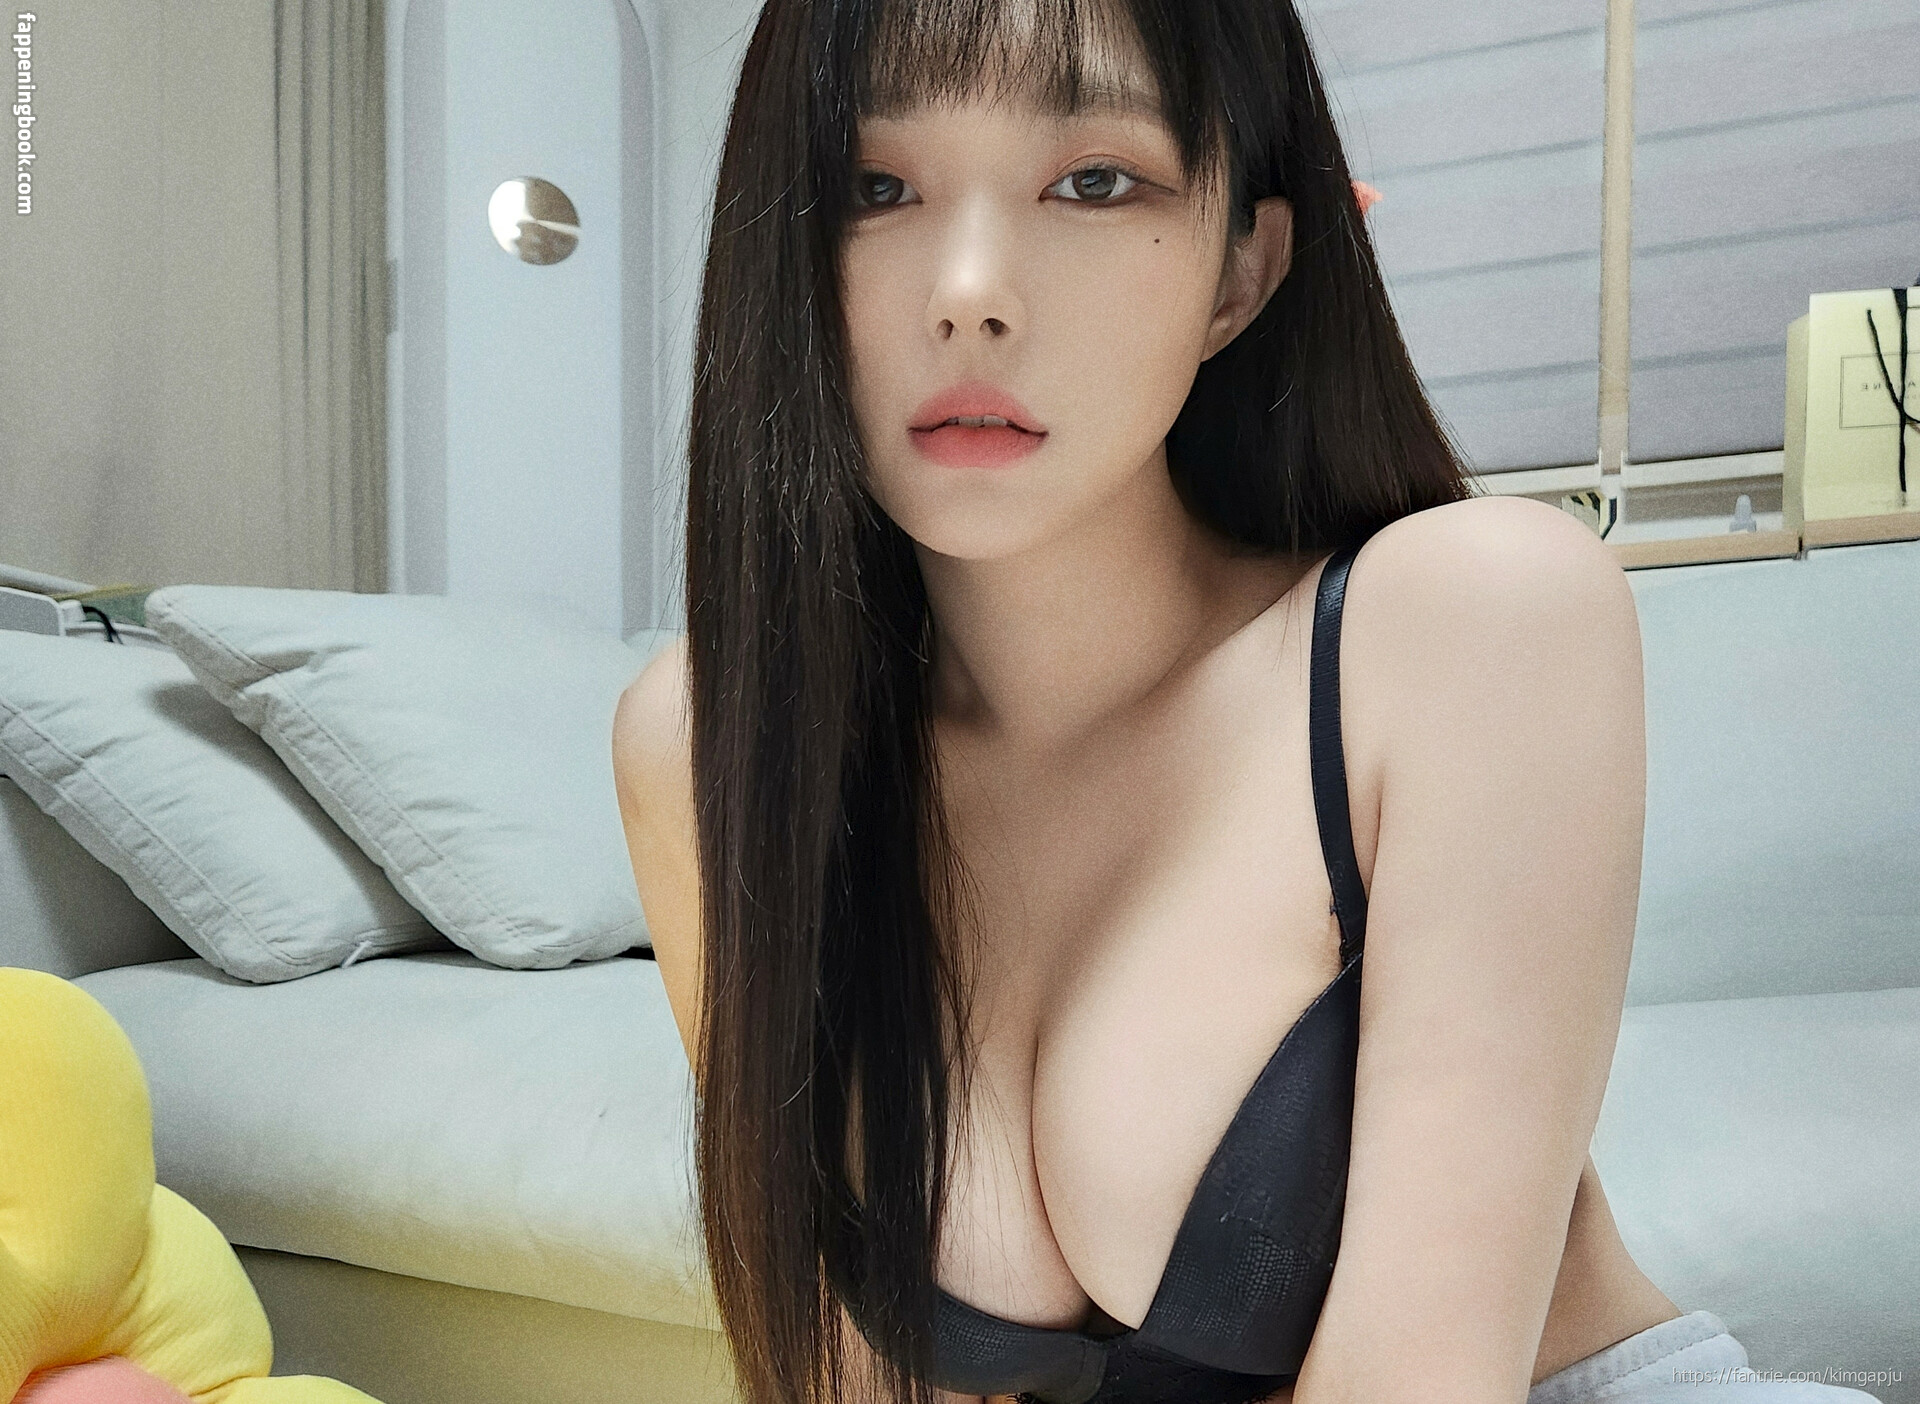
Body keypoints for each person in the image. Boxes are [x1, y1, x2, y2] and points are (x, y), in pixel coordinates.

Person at [612, 3, 1884, 1403]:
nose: (969, 293)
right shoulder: (712, 748)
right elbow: (842, 1375)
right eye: (875, 186)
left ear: (1242, 271)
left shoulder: (1470, 618)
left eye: (1095, 181)